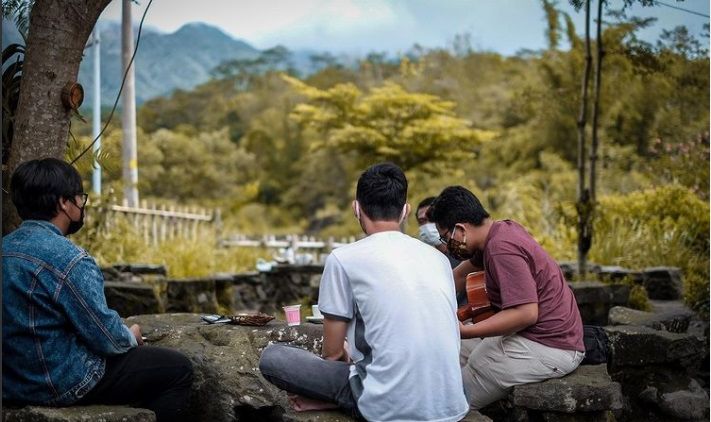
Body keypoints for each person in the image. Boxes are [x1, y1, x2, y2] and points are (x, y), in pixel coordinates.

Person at [259, 163, 469, 421]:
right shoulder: (438, 260)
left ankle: (343, 400)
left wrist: (333, 377)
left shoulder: (344, 258)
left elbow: (333, 354)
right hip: (451, 403)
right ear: (406, 211)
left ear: (356, 208)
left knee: (273, 357)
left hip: (385, 406)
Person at [2, 158, 193, 421]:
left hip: (10, 384)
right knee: (178, 368)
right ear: (63, 203)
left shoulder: (5, 248)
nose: (82, 204)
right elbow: (107, 338)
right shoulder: (69, 259)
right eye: (80, 198)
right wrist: (129, 334)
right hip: (58, 383)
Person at [427, 186, 585, 410]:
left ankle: (441, 408)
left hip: (552, 346)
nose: (447, 243)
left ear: (460, 229)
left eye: (446, 237)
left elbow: (526, 313)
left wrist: (465, 330)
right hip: (534, 334)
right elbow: (461, 274)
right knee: (455, 349)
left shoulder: (501, 248)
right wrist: (428, 302)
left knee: (465, 378)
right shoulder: (497, 232)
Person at [416, 196, 460, 269]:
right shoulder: (422, 260)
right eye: (422, 221)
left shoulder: (464, 254)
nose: (427, 225)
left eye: (431, 219)